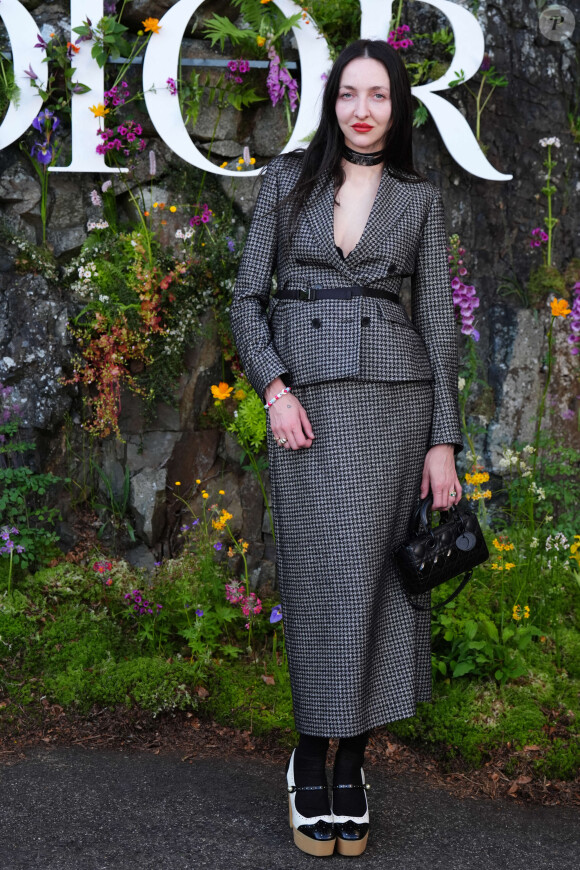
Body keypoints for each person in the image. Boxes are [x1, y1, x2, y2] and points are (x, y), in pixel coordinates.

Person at [230, 38, 463, 858]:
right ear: (330, 104)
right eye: (348, 95)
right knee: (323, 581)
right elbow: (245, 302)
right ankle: (307, 758)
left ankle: (354, 765)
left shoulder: (419, 199)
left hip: (398, 414)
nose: (363, 110)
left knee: (383, 590)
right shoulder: (285, 184)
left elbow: (438, 322)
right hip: (308, 412)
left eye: (380, 97)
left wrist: (444, 441)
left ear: (397, 110)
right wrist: (274, 388)